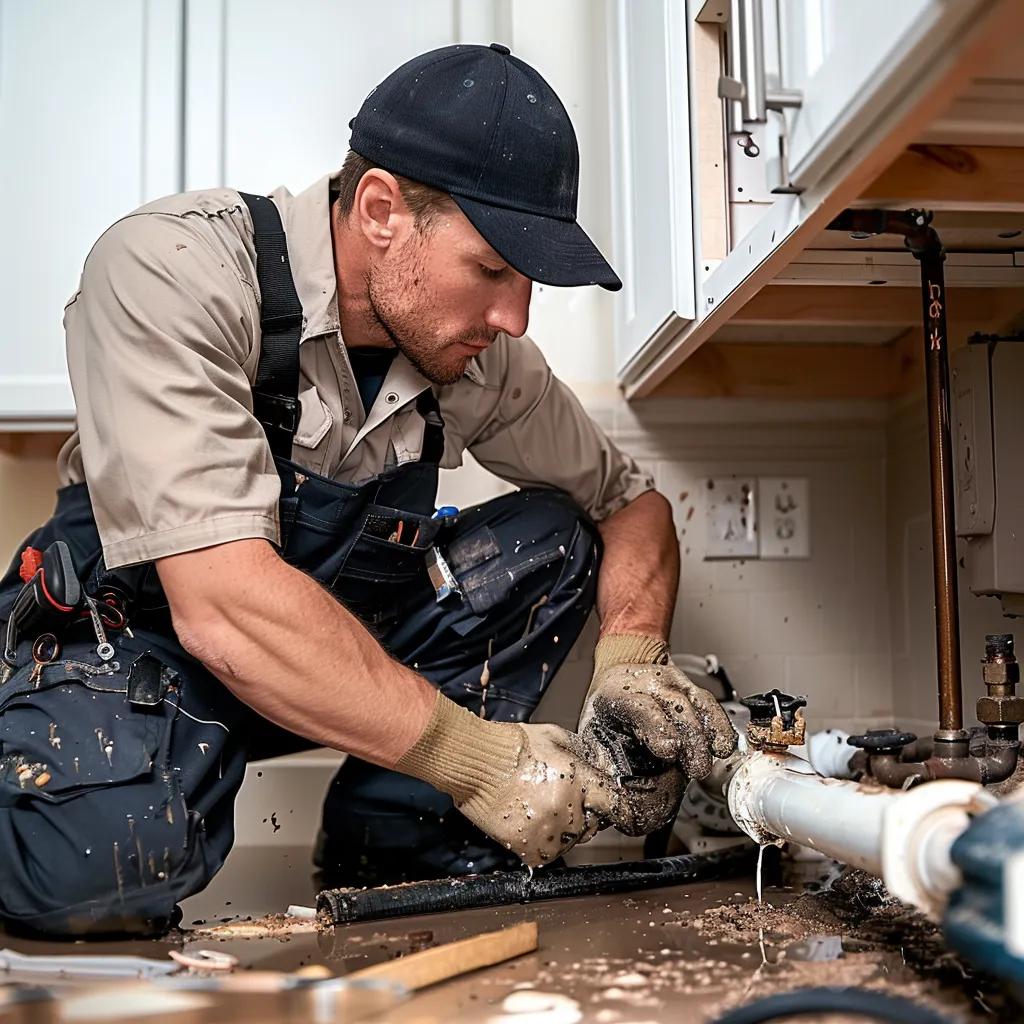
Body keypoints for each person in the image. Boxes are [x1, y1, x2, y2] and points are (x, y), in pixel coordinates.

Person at [0, 43, 734, 937]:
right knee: (96, 870)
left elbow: (632, 507)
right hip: (148, 657)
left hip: (329, 663)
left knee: (552, 538)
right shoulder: (174, 269)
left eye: (527, 282)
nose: (513, 317)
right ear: (382, 210)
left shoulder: (478, 358)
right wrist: (485, 765)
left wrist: (631, 666)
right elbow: (222, 606)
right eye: (492, 269)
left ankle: (393, 841)